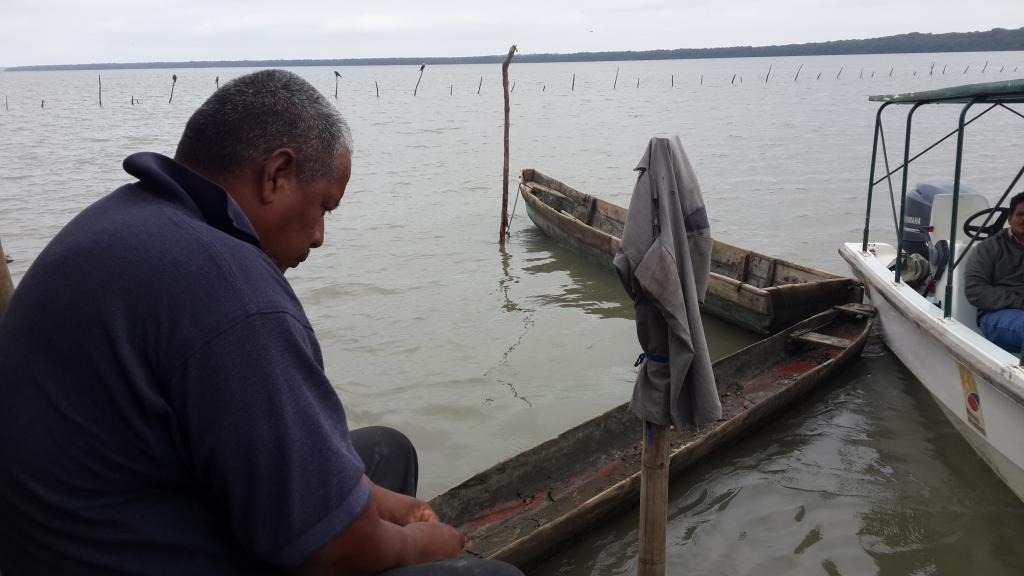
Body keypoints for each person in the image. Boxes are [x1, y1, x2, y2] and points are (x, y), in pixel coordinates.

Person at [0, 69, 522, 576]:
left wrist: (376, 506)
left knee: (384, 453)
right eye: (323, 208)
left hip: (69, 538)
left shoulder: (127, 222)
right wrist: (421, 544)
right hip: (139, 554)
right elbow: (335, 548)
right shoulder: (229, 289)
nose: (319, 236)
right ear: (276, 175)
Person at [965, 191, 1024, 353]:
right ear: (1010, 218)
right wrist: (1019, 302)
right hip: (997, 315)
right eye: (1020, 214)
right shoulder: (988, 248)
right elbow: (975, 291)